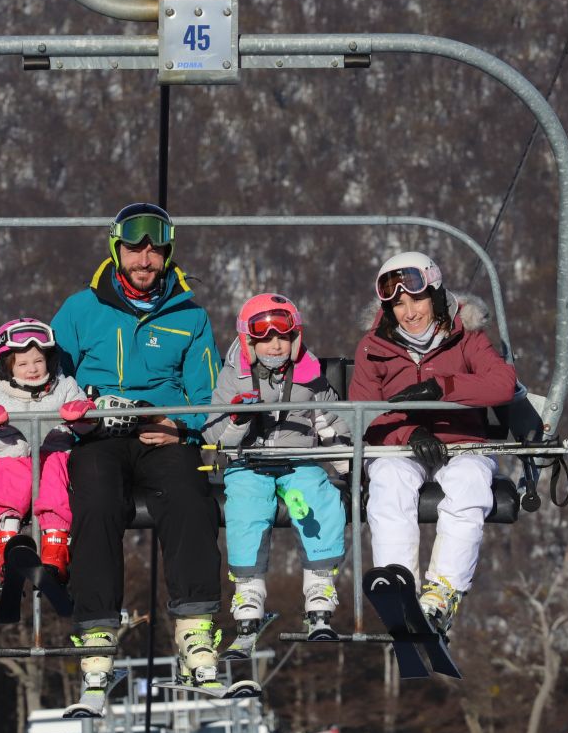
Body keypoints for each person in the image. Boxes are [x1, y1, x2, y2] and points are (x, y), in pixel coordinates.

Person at [51, 203, 224, 696]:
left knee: (190, 498)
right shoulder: (81, 309)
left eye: (155, 250)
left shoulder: (189, 316)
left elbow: (207, 394)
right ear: (117, 250)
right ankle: (97, 633)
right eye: (134, 249)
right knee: (97, 502)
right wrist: (79, 413)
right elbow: (51, 377)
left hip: (162, 434)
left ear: (168, 254)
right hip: (98, 435)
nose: (144, 260)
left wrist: (180, 425)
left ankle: (195, 630)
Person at [348, 251, 516, 634]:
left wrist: (445, 388)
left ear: (436, 294)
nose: (409, 312)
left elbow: (502, 383)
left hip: (462, 444)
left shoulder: (466, 335)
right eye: (398, 305)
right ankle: (398, 589)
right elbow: (364, 412)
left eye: (417, 299)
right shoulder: (374, 346)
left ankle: (442, 593)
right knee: (389, 481)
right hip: (400, 447)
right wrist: (410, 433)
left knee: (470, 482)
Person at [202, 293, 351, 642]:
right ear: (249, 341)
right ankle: (249, 589)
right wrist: (238, 420)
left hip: (298, 460)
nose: (274, 346)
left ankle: (319, 584)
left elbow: (329, 420)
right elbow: (215, 434)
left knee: (320, 498)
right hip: (249, 462)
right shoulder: (233, 376)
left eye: (282, 337)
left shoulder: (309, 374)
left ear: (295, 338)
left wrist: (348, 468)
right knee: (246, 507)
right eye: (265, 338)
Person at [0, 318, 97, 584]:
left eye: (39, 361)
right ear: (7, 366)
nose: (33, 369)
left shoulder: (64, 385)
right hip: (10, 452)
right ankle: (8, 539)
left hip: (52, 454)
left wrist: (83, 416)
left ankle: (55, 546)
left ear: (49, 360)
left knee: (55, 476)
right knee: (10, 473)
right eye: (23, 364)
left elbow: (87, 423)